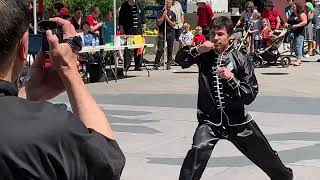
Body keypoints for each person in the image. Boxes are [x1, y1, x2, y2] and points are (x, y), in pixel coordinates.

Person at [0, 1, 125, 179]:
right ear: (23, 46)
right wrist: (69, 72)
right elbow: (107, 161)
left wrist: (26, 94)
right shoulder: (48, 130)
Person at [175, 16, 293, 180]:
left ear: (229, 36)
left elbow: (250, 94)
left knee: (267, 157)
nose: (215, 38)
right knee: (197, 150)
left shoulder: (241, 58)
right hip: (210, 121)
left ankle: (285, 177)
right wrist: (198, 49)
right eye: (212, 34)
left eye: (220, 34)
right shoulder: (204, 55)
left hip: (238, 122)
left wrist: (232, 79)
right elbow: (180, 60)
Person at [119, 0, 146, 71]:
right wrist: (121, 27)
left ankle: (138, 65)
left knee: (139, 48)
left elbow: (142, 15)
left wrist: (144, 24)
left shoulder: (139, 4)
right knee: (128, 48)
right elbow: (121, 17)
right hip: (129, 30)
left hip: (138, 30)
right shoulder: (124, 5)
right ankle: (127, 65)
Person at [153, 0, 176, 70]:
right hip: (162, 32)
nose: (168, 5)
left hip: (170, 32)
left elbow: (173, 25)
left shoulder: (173, 13)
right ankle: (156, 63)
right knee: (160, 48)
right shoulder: (160, 12)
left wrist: (167, 18)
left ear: (171, 5)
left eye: (169, 4)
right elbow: (159, 23)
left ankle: (168, 63)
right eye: (167, 4)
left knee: (170, 48)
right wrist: (163, 16)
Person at [287, 1, 308, 66]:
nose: (292, 8)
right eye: (292, 7)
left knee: (298, 46)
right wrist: (286, 24)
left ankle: (298, 60)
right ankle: (298, 59)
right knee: (294, 46)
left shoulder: (301, 14)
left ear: (297, 7)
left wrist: (296, 25)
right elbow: (288, 20)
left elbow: (305, 22)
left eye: (294, 7)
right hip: (292, 32)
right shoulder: (292, 14)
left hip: (299, 32)